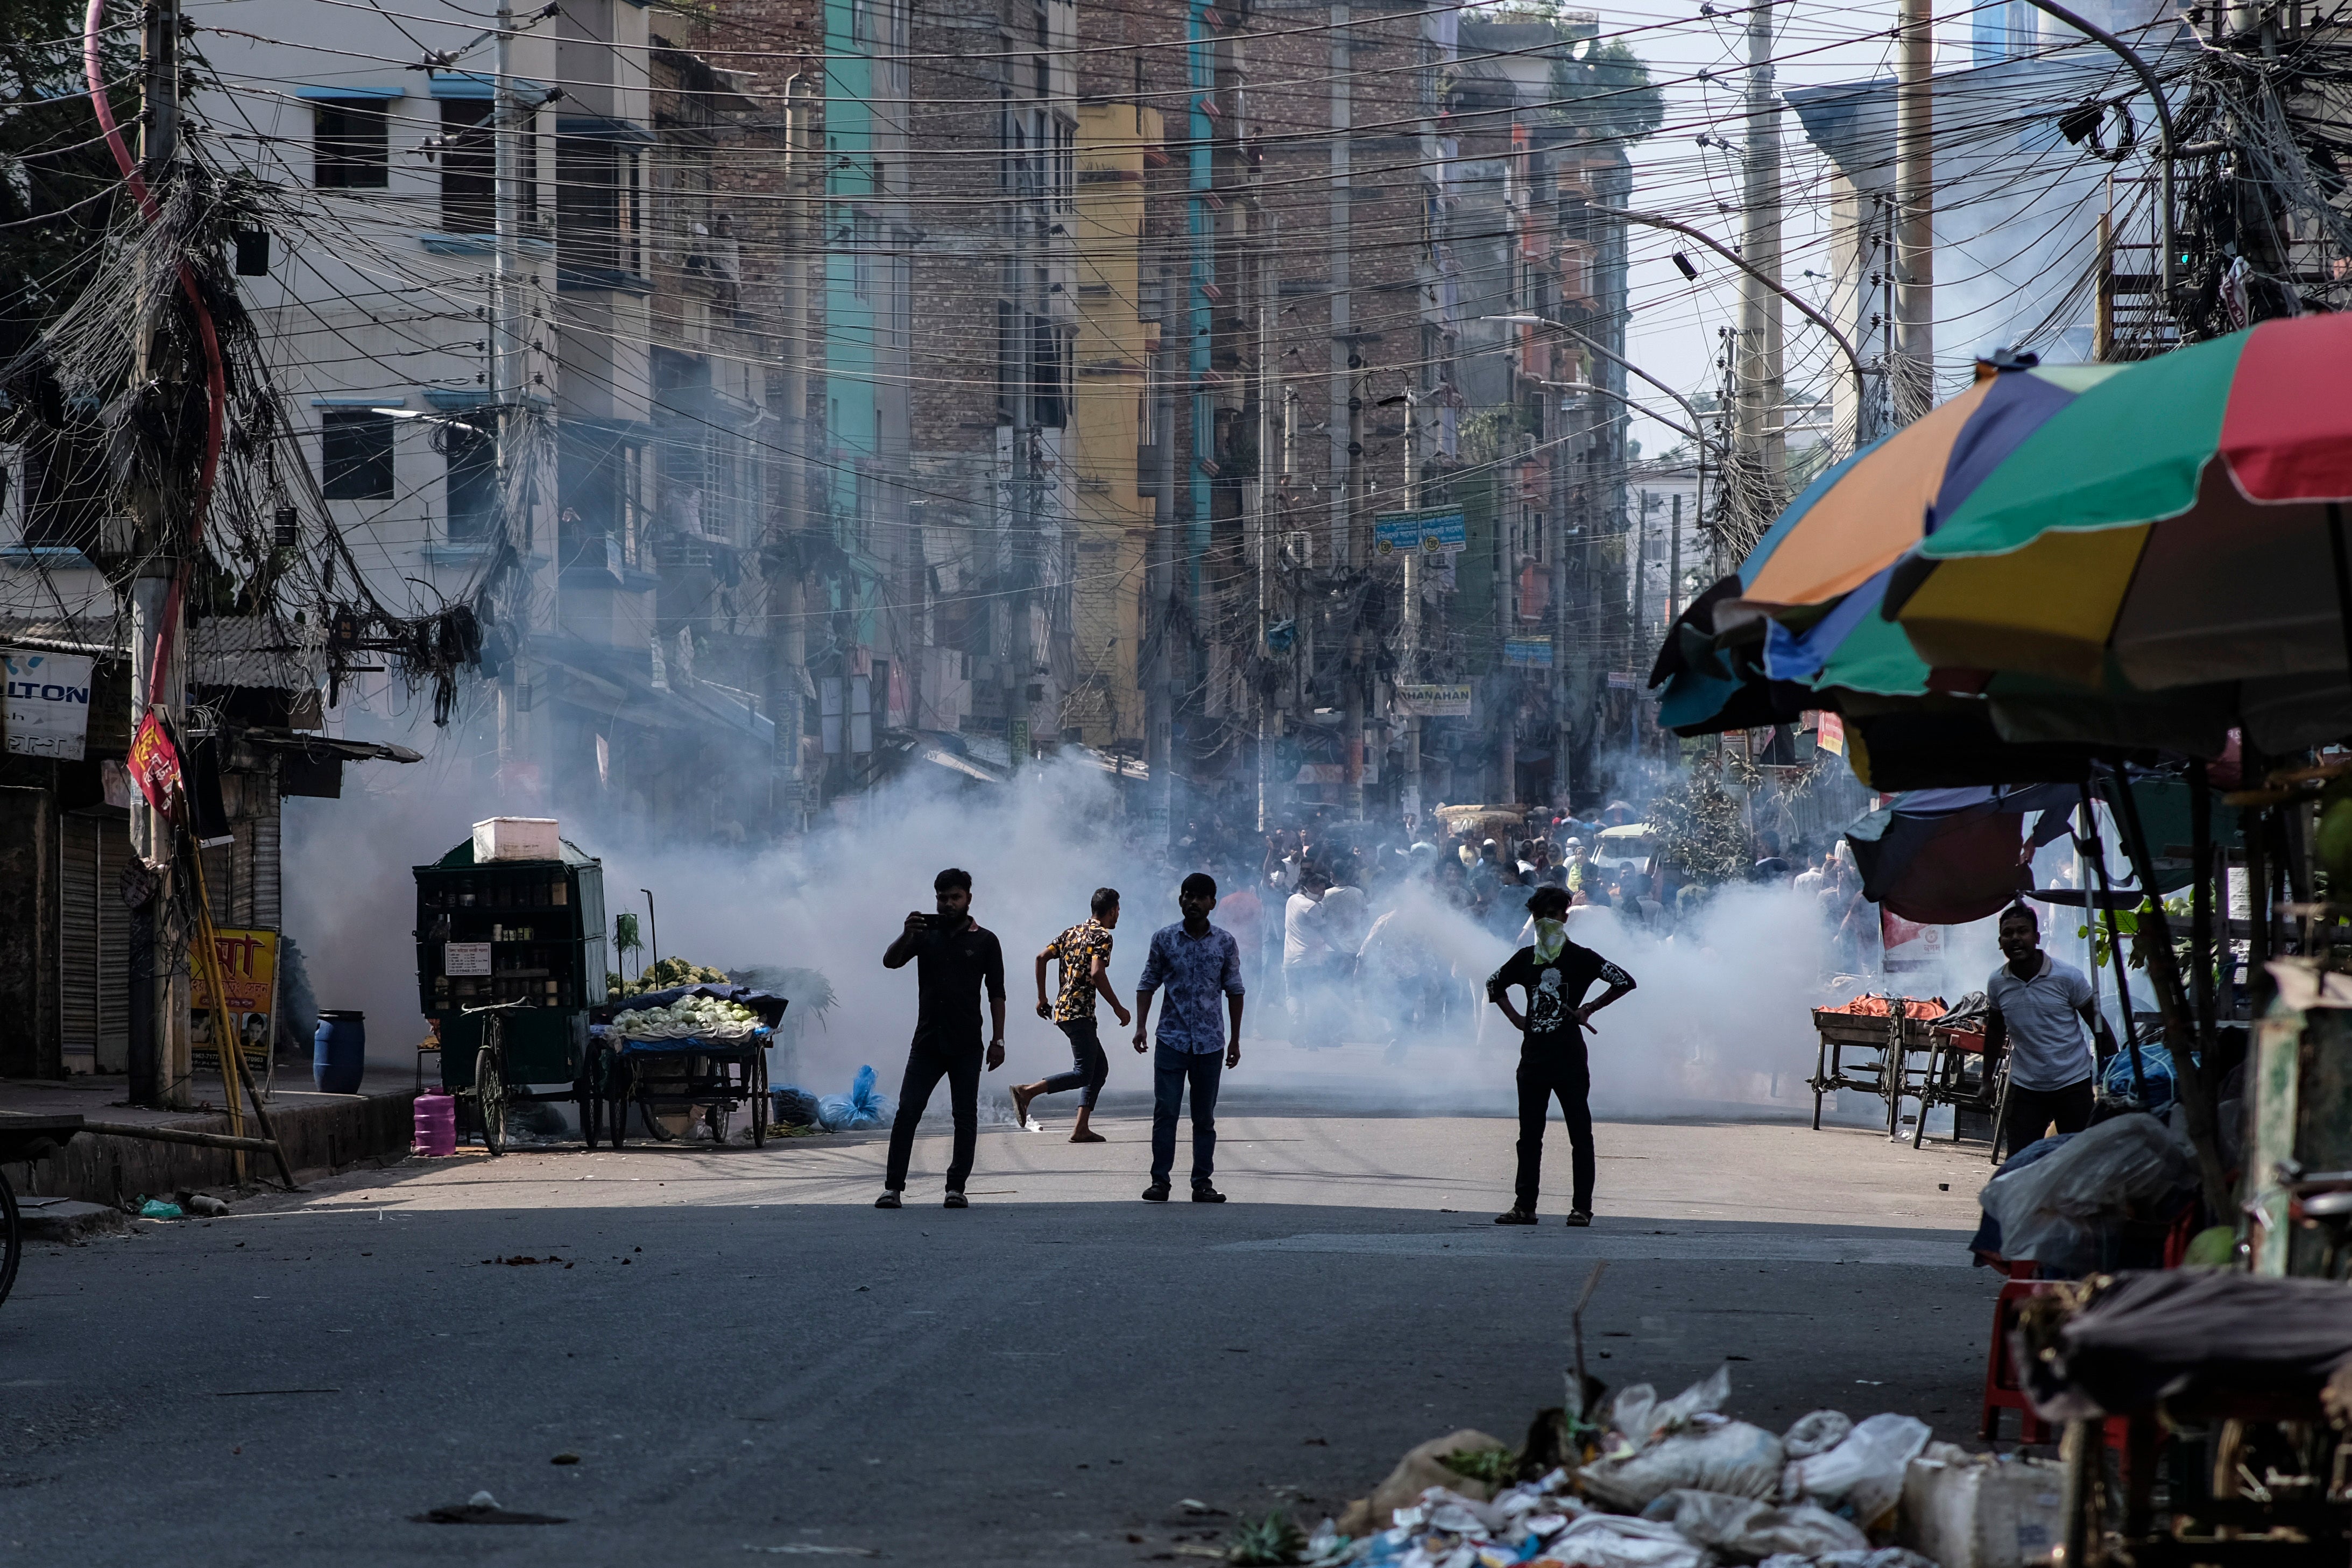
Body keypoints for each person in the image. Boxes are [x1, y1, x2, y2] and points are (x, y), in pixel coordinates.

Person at [1486, 885, 1636, 1227]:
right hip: (1534, 1058)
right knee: (1529, 1136)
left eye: (1554, 915)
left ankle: (1582, 1208)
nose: (1547, 922)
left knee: (1580, 1133)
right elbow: (1495, 984)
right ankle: (1525, 1206)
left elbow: (1624, 981)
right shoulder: (1526, 958)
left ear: (1565, 918)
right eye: (1541, 916)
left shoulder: (1581, 957)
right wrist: (1517, 1020)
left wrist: (1589, 1008)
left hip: (1569, 1057)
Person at [876, 867, 1007, 1210]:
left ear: (968, 899)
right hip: (927, 1042)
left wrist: (999, 1040)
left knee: (964, 1117)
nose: (947, 904)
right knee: (907, 1112)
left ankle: (956, 1187)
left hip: (966, 1044)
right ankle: (893, 1188)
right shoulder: (923, 934)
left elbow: (997, 994)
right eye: (942, 898)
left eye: (954, 898)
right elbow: (890, 962)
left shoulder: (986, 941)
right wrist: (906, 934)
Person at [1132, 872, 1247, 1203]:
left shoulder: (1224, 942)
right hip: (1171, 1039)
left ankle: (1202, 1183)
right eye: (1187, 896)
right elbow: (1148, 982)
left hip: (1210, 1043)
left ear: (1213, 903)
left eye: (1200, 897)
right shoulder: (1164, 939)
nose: (1193, 902)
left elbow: (1235, 991)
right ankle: (1160, 1182)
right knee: (1165, 1111)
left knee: (1204, 1117)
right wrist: (1141, 1025)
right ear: (1180, 900)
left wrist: (1236, 1040)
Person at [1986, 902, 2115, 1153]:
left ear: (2036, 937)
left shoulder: (2067, 977)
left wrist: (2110, 1076)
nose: (2015, 938)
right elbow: (1994, 1031)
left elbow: (2099, 1026)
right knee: (2020, 1161)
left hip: (2073, 1083)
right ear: (2000, 941)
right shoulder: (1997, 983)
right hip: (2027, 1086)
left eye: (2022, 931)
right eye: (2008, 933)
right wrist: (1986, 1080)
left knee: (2078, 1159)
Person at [1012, 886, 1129, 1143]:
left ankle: (1081, 1129)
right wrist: (1118, 1008)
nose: (1118, 916)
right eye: (1117, 911)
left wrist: (1042, 998)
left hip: (1063, 1009)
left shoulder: (1071, 933)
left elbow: (1041, 958)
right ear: (1111, 911)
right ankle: (1028, 1092)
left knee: (1099, 1069)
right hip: (1079, 1014)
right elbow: (1098, 973)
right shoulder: (1103, 937)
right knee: (1083, 1073)